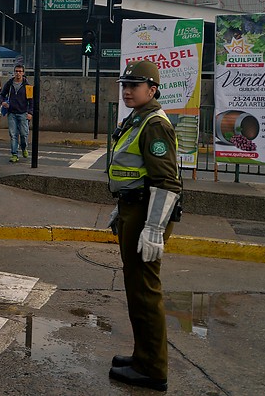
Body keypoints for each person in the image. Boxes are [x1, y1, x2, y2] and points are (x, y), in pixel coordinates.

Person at [107, 61, 182, 392]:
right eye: (125, 84)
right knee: (135, 289)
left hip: (145, 214)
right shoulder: (136, 118)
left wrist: (154, 228)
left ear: (152, 90)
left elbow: (167, 180)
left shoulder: (154, 123)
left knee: (145, 292)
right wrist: (118, 207)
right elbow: (131, 168)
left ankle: (153, 369)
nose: (127, 90)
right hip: (131, 208)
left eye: (134, 85)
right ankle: (142, 356)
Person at [1, 64, 34, 163]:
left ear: (23, 73)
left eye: (20, 71)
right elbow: (1, 94)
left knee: (24, 134)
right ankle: (14, 154)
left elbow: (31, 101)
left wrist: (30, 113)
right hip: (12, 113)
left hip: (23, 113)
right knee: (13, 134)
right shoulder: (9, 84)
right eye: (16, 71)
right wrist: (3, 102)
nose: (18, 73)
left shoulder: (27, 86)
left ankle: (24, 148)